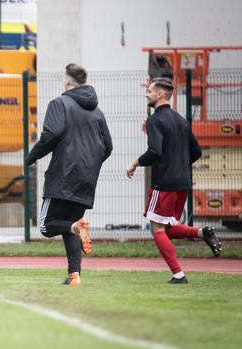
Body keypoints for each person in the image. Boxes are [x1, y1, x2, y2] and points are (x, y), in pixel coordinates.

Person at [127, 77, 221, 283]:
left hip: (165, 184)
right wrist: (180, 165)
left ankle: (178, 274)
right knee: (167, 228)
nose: (147, 94)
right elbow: (196, 151)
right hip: (183, 184)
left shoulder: (154, 120)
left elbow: (154, 151)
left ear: (160, 94)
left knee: (157, 228)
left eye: (150, 91)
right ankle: (201, 232)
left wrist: (135, 162)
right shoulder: (181, 120)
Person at [27, 64, 113, 286]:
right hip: (86, 180)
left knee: (47, 226)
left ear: (67, 82)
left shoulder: (59, 103)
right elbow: (108, 147)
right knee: (69, 223)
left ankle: (76, 227)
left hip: (63, 176)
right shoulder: (98, 112)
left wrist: (31, 157)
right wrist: (90, 166)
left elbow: (51, 134)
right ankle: (74, 275)